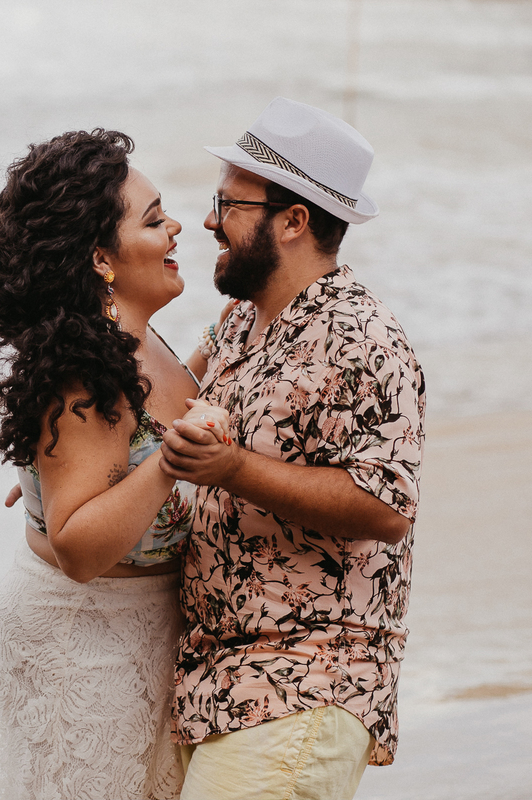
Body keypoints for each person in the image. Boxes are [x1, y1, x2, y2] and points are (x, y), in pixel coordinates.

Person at [158, 98, 426, 800]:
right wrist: (64, 454)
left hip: (308, 678)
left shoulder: (365, 338)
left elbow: (387, 505)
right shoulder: (240, 320)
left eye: (228, 202)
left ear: (294, 220)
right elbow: (165, 406)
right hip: (219, 680)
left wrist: (233, 469)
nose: (210, 219)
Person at [0, 129, 218, 800]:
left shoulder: (137, 336)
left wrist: (227, 342)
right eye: (154, 219)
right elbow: (76, 547)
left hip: (133, 638)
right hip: (85, 648)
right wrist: (168, 466)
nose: (177, 226)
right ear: (101, 258)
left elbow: (141, 423)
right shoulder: (85, 370)